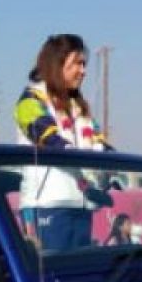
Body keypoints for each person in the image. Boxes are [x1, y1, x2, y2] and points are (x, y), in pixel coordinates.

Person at [14, 35, 110, 251]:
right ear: (58, 63)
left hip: (81, 206)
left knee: (78, 278)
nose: (83, 71)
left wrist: (112, 167)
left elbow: (99, 143)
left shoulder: (79, 107)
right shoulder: (31, 100)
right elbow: (47, 136)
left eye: (85, 64)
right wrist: (69, 150)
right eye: (78, 63)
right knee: (50, 278)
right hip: (46, 207)